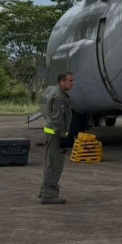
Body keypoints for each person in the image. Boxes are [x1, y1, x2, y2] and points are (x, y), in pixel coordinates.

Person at [38, 71, 75, 205]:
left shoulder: (58, 93)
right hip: (56, 135)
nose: (72, 83)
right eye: (70, 81)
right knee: (54, 165)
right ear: (62, 82)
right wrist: (63, 135)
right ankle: (49, 195)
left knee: (50, 163)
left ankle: (44, 191)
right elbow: (57, 119)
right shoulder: (59, 97)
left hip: (53, 134)